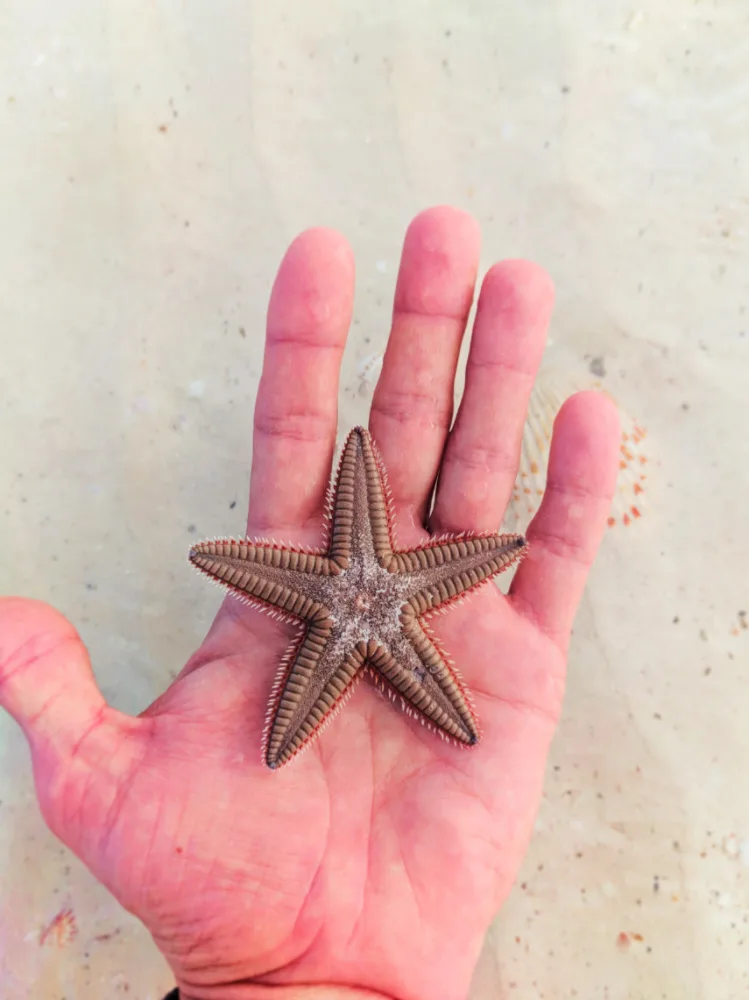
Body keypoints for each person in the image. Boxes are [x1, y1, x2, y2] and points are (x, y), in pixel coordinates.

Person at [0, 207, 620, 1000]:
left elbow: (430, 553)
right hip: (370, 615)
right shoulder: (344, 587)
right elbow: (337, 549)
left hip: (370, 611)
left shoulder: (376, 587)